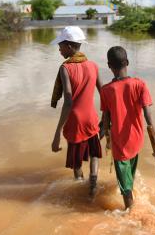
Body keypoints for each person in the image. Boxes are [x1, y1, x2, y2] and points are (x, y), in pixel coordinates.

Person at [100, 46, 155, 209]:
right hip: (137, 140)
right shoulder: (140, 84)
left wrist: (106, 139)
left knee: (125, 188)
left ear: (109, 65)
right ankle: (132, 202)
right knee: (130, 176)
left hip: (120, 144)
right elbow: (148, 117)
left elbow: (106, 120)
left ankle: (130, 213)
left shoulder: (106, 90)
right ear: (127, 62)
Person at [50, 26, 103, 195]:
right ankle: (93, 180)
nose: (59, 49)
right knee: (94, 152)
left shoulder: (65, 68)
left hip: (75, 121)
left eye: (61, 45)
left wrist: (57, 132)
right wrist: (107, 118)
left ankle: (80, 189)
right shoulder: (93, 66)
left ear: (70, 46)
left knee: (76, 162)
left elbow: (68, 100)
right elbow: (104, 92)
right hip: (91, 118)